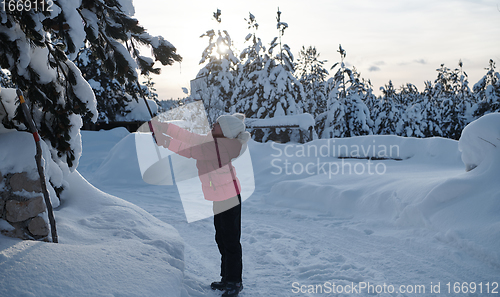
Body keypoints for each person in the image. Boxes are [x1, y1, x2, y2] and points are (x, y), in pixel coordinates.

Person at [151, 113, 250, 297]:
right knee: (221, 237)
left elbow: (192, 150)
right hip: (219, 196)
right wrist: (165, 128)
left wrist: (166, 142)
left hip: (229, 197)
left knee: (230, 240)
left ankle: (235, 282)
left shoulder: (223, 146)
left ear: (226, 131)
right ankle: (227, 277)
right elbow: (190, 138)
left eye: (218, 124)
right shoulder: (212, 141)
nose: (214, 124)